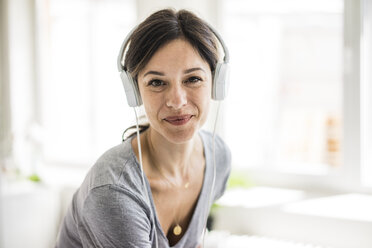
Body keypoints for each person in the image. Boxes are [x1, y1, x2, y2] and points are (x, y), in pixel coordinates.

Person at [55, 8, 231, 248]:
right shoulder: (114, 191)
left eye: (192, 79)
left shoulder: (217, 157)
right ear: (135, 92)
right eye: (157, 82)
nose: (177, 101)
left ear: (216, 82)